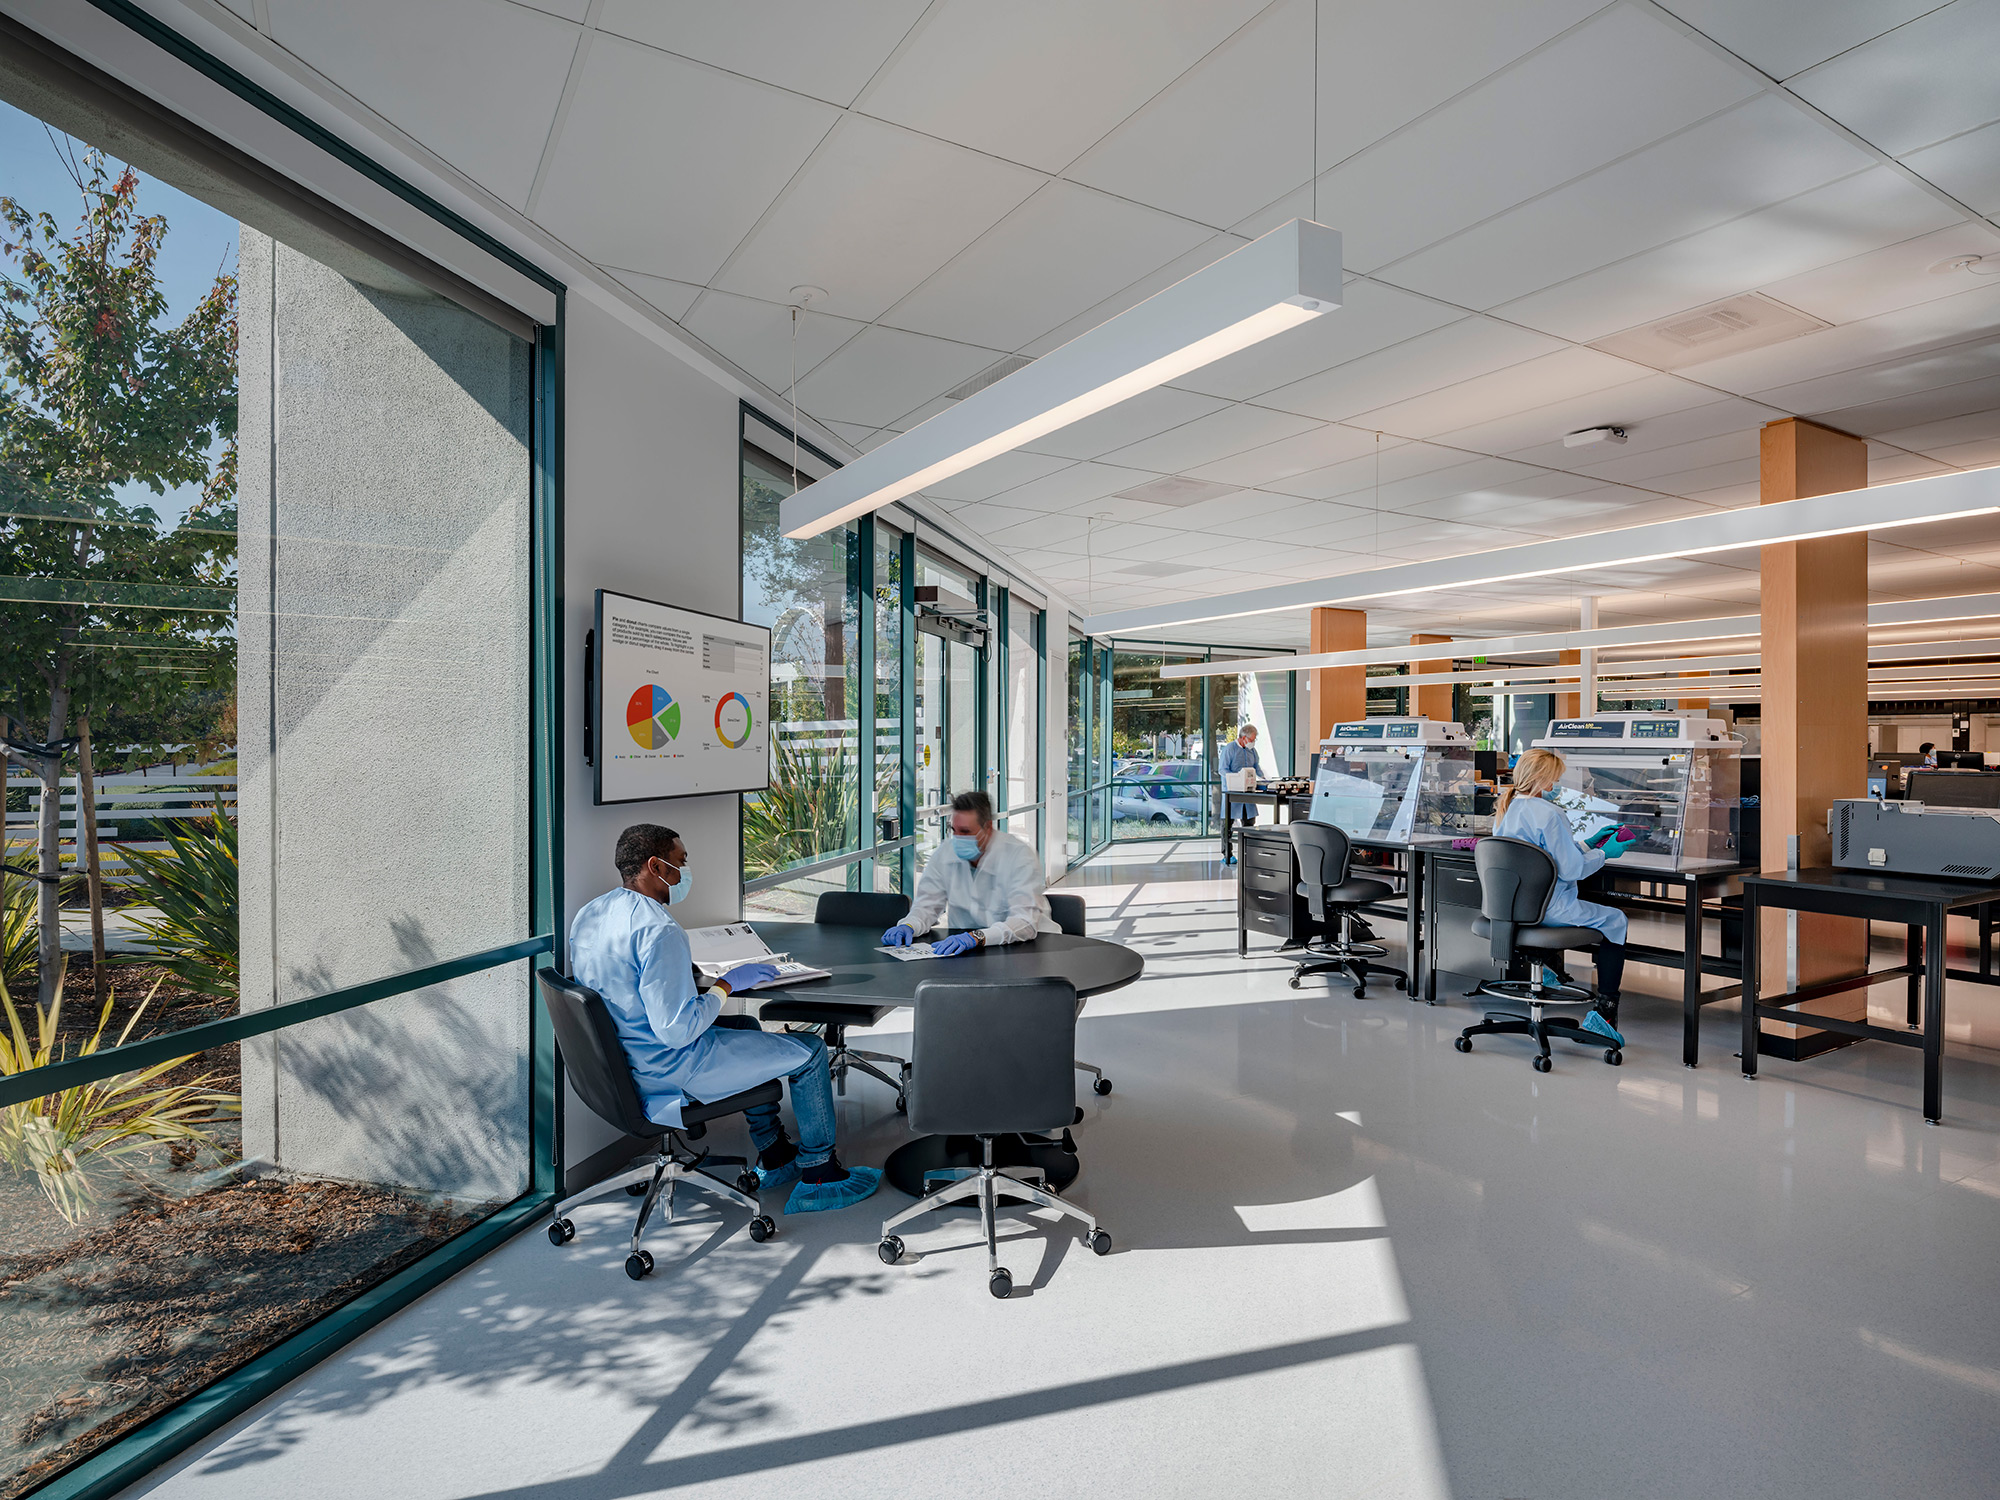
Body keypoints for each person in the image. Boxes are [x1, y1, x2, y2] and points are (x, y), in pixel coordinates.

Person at [568, 823, 881, 1214]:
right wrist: (725, 985)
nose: (684, 872)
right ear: (655, 866)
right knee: (812, 1051)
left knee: (746, 1027)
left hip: (623, 1063)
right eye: (680, 862)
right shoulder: (659, 930)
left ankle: (775, 1153)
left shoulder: (591, 914)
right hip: (670, 1068)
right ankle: (820, 1173)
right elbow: (677, 1030)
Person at [1492, 747, 1634, 1046]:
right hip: (1552, 908)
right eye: (1555, 778)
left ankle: (1547, 971)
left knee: (1606, 917)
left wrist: (1587, 844)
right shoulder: (1550, 812)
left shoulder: (1507, 809)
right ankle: (1605, 1012)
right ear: (1543, 779)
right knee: (1617, 920)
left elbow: (1545, 857)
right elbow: (1570, 870)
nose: (1557, 784)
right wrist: (1605, 854)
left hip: (1515, 907)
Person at [883, 790, 1055, 955]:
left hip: (1029, 948)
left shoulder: (1018, 855)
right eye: (954, 830)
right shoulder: (945, 853)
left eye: (965, 831)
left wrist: (977, 937)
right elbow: (926, 906)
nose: (958, 838)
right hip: (966, 950)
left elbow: (1024, 922)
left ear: (988, 827)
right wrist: (909, 925)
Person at [1219, 723, 1265, 865]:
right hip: (1232, 793)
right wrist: (1237, 778)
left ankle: (1249, 853)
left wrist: (1264, 778)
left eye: (1254, 740)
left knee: (1249, 823)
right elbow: (1223, 769)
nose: (1253, 742)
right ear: (1243, 738)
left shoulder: (1252, 751)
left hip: (1248, 794)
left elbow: (1256, 767)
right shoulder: (1230, 749)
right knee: (1227, 825)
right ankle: (1227, 854)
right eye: (1251, 740)